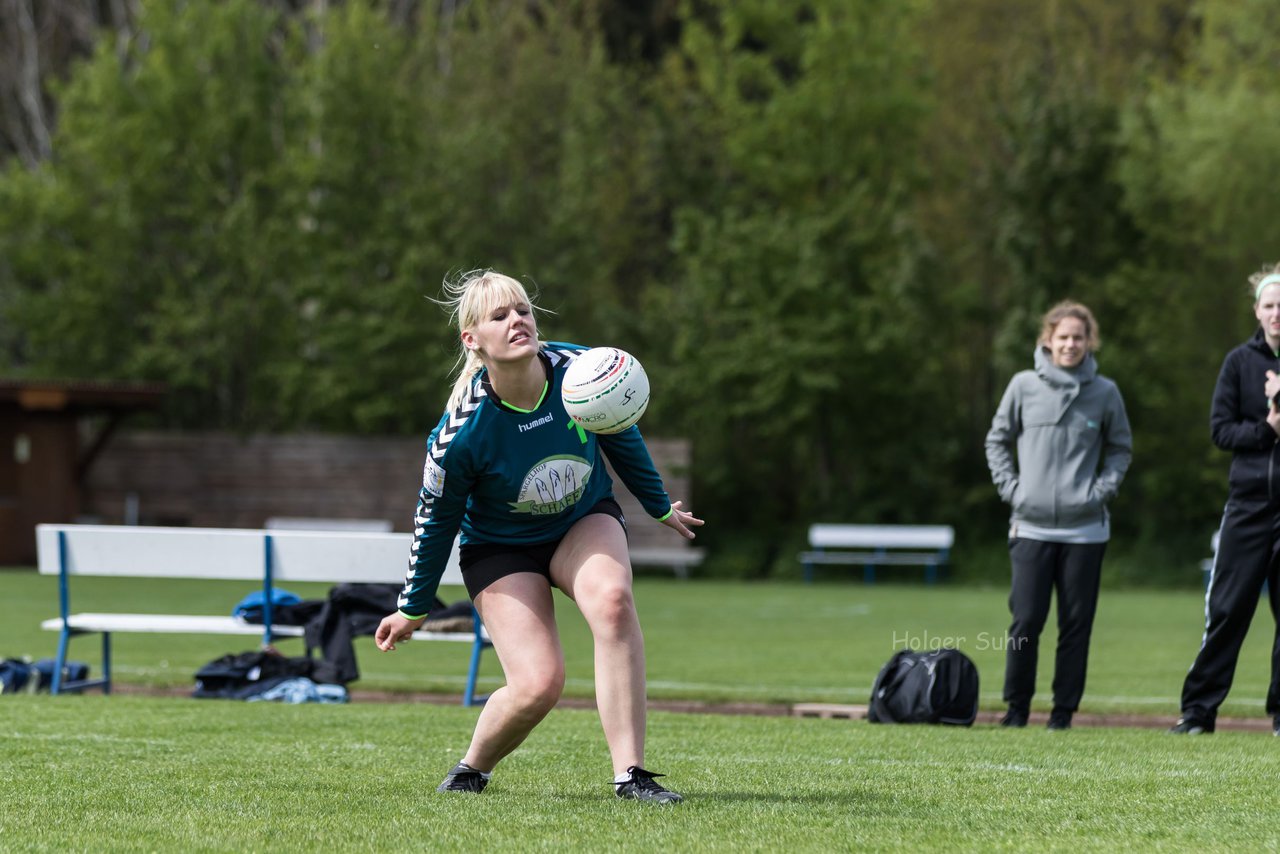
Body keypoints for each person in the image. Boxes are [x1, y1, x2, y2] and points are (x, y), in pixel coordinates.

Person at [374, 269, 703, 801]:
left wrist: (658, 506)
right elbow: (435, 519)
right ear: (472, 339)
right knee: (538, 684)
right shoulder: (459, 434)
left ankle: (632, 777)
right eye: (499, 316)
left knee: (614, 602)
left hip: (580, 520)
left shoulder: (579, 370)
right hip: (500, 547)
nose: (517, 321)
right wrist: (412, 608)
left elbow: (620, 431)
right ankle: (471, 770)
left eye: (522, 310)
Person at [984, 300, 1133, 730]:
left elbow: (1121, 448)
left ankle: (1062, 714)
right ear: (1047, 340)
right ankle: (1015, 710)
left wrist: (1100, 492)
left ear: (1090, 342)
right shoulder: (1022, 386)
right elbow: (996, 441)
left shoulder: (1106, 393)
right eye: (1062, 337)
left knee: (1075, 627)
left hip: (1085, 532)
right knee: (1026, 622)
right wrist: (1014, 491)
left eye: (1078, 337)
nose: (1070, 344)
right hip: (1029, 526)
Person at [1171, 264, 1280, 736]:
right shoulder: (1239, 362)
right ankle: (1198, 713)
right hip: (1250, 506)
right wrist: (1268, 427)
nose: (1278, 314)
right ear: (1257, 311)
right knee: (1229, 608)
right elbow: (1221, 431)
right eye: (1271, 305)